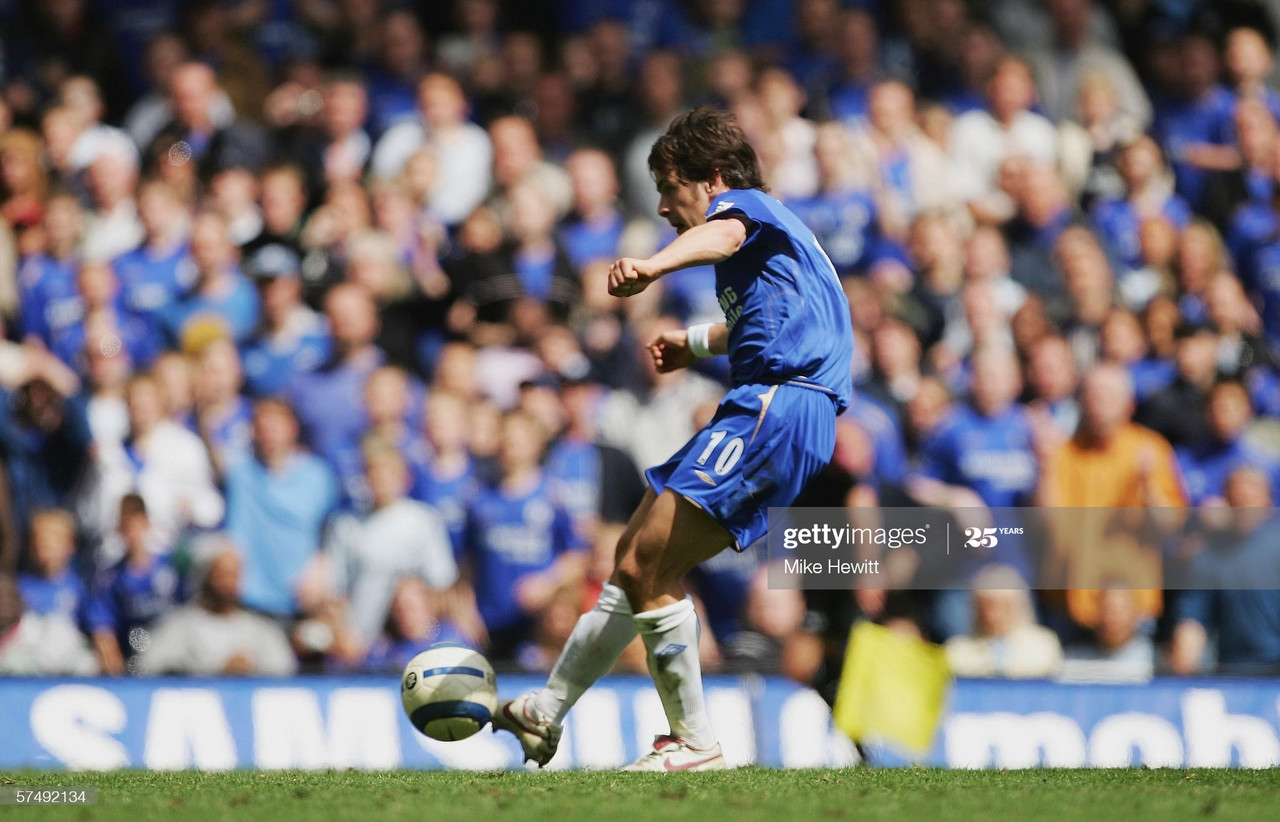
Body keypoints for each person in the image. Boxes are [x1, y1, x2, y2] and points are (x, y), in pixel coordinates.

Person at [492, 107, 854, 771]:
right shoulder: (774, 252)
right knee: (634, 556)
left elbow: (723, 234)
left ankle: (695, 742)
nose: (661, 206)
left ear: (711, 181)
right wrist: (692, 342)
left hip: (778, 406)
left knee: (650, 563)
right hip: (767, 405)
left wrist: (655, 268)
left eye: (668, 187)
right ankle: (548, 711)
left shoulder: (746, 210)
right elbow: (759, 320)